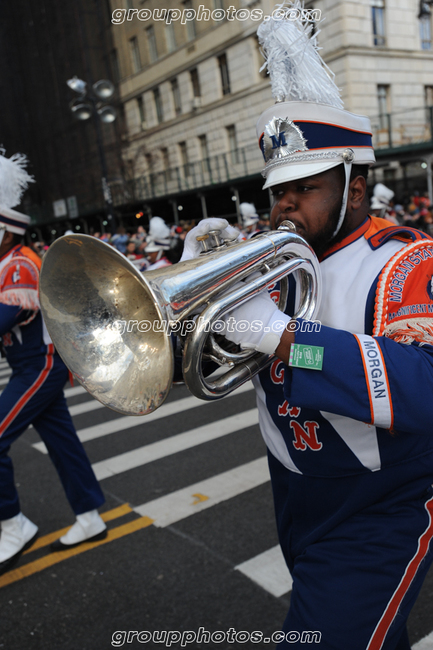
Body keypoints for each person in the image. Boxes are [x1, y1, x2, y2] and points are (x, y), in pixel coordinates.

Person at [181, 4, 433, 649]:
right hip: (294, 483)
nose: (284, 201)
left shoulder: (407, 260)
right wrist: (191, 303)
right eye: (277, 188)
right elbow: (204, 370)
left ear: (354, 187)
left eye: (305, 185)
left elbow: (424, 387)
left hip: (382, 496)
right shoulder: (278, 261)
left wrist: (281, 333)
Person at [0, 151, 106, 576]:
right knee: (63, 444)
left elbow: (5, 318)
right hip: (32, 362)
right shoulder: (6, 262)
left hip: (39, 362)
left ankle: (12, 523)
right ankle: (90, 517)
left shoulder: (20, 261)